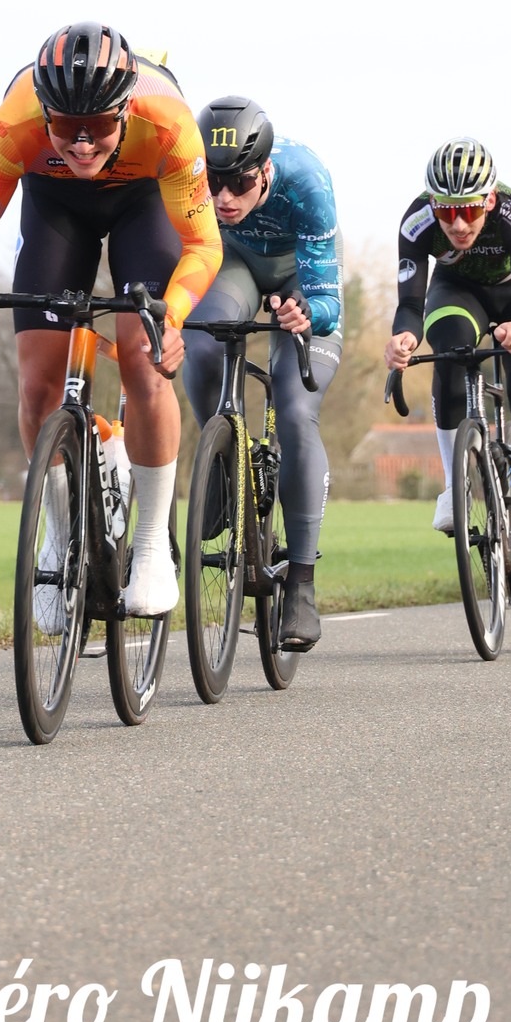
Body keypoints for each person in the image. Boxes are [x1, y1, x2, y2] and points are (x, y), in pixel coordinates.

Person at [0, 23, 222, 615]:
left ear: (124, 110)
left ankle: (152, 544)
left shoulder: (169, 123)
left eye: (97, 125)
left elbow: (203, 244)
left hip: (143, 202)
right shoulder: (13, 123)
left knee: (145, 362)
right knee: (38, 385)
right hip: (55, 204)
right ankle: (59, 534)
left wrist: (172, 319)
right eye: (67, 127)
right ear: (44, 114)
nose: (83, 143)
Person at [384, 138, 511, 599]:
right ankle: (454, 487)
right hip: (456, 293)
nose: (457, 224)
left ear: (489, 200)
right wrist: (404, 336)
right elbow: (410, 305)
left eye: (469, 211)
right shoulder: (416, 220)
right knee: (450, 352)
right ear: (433, 204)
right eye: (446, 211)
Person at [182, 96, 343, 651]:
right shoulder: (194, 184)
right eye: (214, 183)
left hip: (301, 279)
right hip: (234, 265)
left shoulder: (307, 182)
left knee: (296, 413)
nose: (224, 198)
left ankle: (301, 582)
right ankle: (223, 465)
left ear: (265, 170)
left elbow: (328, 302)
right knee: (203, 345)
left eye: (240, 184)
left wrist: (308, 314)